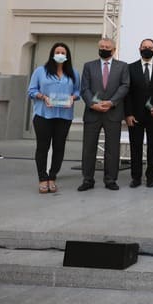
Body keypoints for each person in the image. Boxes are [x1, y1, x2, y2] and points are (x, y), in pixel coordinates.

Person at [27, 42, 80, 193]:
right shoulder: (40, 71)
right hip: (43, 115)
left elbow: (78, 92)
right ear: (52, 53)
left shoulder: (73, 73)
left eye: (63, 52)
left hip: (64, 116)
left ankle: (52, 177)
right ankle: (42, 179)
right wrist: (43, 97)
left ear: (67, 56)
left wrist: (72, 98)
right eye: (58, 52)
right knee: (42, 147)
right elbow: (31, 91)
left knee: (59, 148)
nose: (60, 55)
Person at [78, 37, 130, 191]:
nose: (104, 48)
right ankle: (88, 179)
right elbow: (84, 88)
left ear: (114, 50)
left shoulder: (123, 66)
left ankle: (110, 179)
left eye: (107, 46)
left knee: (112, 148)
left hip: (113, 112)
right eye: (102, 46)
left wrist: (111, 102)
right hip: (92, 113)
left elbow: (125, 86)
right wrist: (93, 104)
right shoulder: (89, 66)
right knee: (88, 148)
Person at [124, 38, 153, 188]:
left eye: (150, 47)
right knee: (135, 147)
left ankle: (150, 177)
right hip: (135, 116)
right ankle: (136, 177)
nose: (147, 49)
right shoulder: (130, 68)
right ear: (139, 49)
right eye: (144, 47)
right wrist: (128, 114)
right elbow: (127, 93)